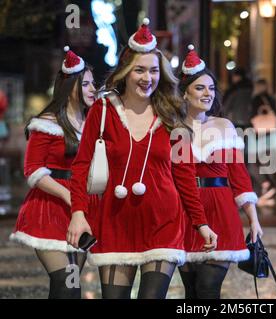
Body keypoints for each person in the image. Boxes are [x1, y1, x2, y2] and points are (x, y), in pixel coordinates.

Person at [67, 19, 217, 299]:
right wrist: (78, 213)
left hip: (164, 222)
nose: (147, 78)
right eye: (140, 70)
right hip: (113, 221)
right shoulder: (102, 110)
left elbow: (184, 175)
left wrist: (201, 223)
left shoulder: (173, 114)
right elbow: (81, 166)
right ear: (126, 72)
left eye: (154, 71)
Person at [9, 47, 97, 298]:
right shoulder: (47, 122)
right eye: (87, 84)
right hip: (49, 209)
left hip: (81, 207)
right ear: (70, 86)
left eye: (94, 84)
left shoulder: (93, 123)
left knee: (69, 285)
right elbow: (33, 170)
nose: (93, 89)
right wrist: (69, 197)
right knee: (66, 283)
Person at [176, 45, 263, 299]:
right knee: (191, 291)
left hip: (221, 211)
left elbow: (239, 177)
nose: (208, 93)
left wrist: (253, 219)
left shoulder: (225, 126)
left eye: (211, 88)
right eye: (200, 87)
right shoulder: (173, 127)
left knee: (208, 288)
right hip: (185, 212)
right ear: (184, 93)